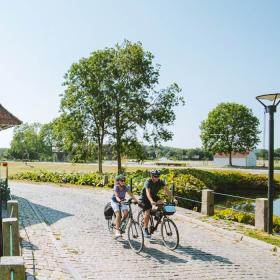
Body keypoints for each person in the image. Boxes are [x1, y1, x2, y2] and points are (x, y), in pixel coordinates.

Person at [140, 170, 177, 237]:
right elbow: (148, 194)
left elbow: (167, 191)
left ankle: (157, 217)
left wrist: (173, 198)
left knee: (161, 203)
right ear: (151, 176)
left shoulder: (160, 182)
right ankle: (145, 229)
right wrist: (151, 201)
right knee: (147, 212)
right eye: (155, 176)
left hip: (154, 196)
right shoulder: (148, 182)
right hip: (145, 198)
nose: (156, 177)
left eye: (158, 176)